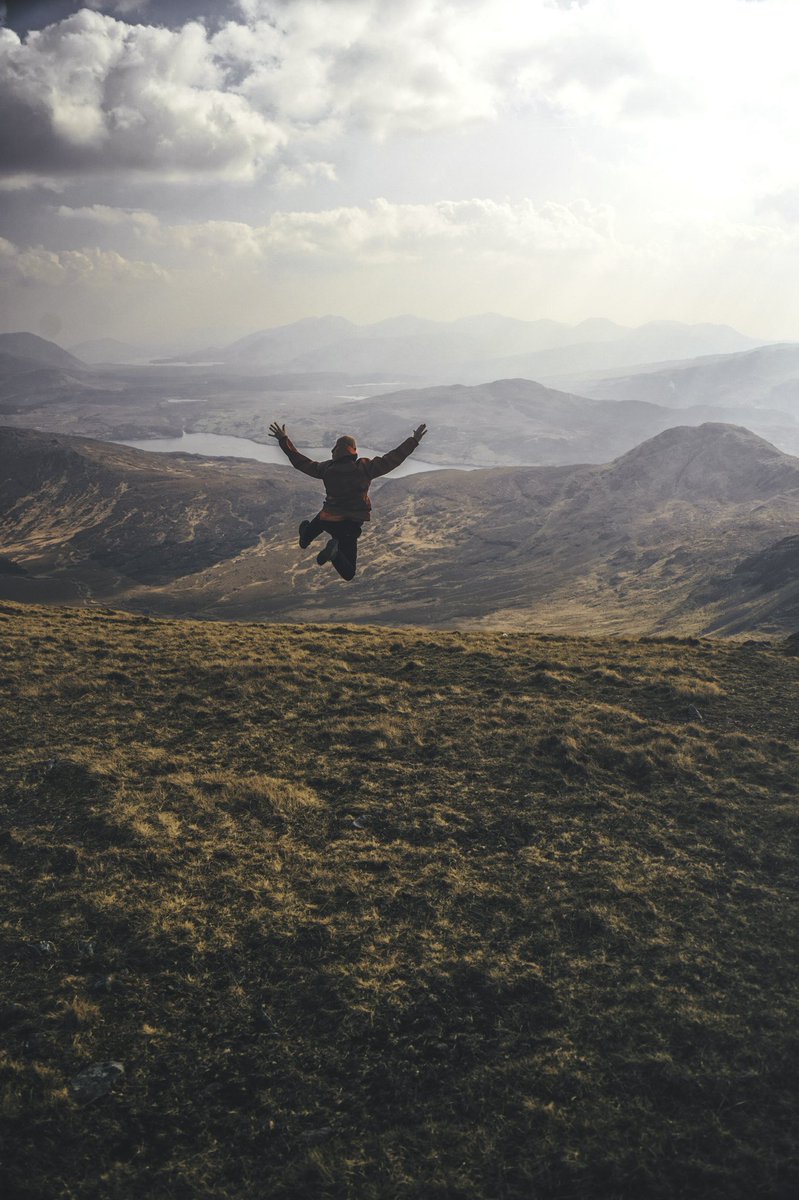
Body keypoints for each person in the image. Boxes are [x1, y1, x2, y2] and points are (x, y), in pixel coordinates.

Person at [268, 422, 427, 581]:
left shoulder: (326, 468)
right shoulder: (365, 468)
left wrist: (283, 440)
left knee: (323, 517)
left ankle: (305, 538)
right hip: (349, 525)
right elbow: (393, 458)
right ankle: (334, 554)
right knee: (349, 573)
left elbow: (300, 462)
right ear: (353, 451)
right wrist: (413, 441)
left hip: (328, 518)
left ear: (336, 451)